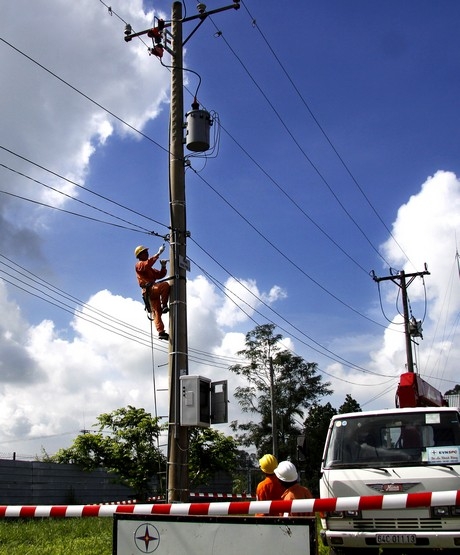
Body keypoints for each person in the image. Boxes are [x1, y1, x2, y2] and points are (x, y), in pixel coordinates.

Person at [134, 244, 170, 340]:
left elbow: (160, 275)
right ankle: (165, 305)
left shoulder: (150, 269)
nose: (146, 253)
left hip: (153, 290)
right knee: (165, 285)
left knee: (157, 312)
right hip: (149, 290)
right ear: (139, 255)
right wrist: (158, 253)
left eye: (146, 252)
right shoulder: (139, 265)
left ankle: (161, 332)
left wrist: (163, 266)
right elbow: (147, 264)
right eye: (144, 252)